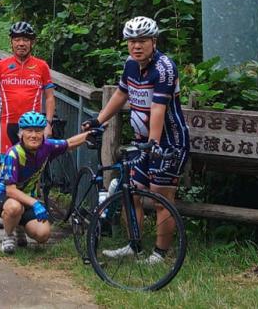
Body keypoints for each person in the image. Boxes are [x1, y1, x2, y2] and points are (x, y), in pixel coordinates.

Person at [81, 16, 190, 264]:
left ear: (154, 41)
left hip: (168, 143)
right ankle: (135, 246)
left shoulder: (164, 68)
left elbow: (158, 108)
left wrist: (153, 144)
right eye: (131, 41)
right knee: (132, 194)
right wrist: (98, 120)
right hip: (143, 140)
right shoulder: (131, 64)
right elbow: (121, 94)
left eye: (142, 40)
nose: (136, 46)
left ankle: (160, 254)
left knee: (161, 200)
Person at [0, 111, 95, 254]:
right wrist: (35, 203)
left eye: (38, 131)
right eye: (29, 131)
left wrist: (90, 134)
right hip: (4, 196)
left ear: (43, 133)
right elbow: (11, 190)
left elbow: (69, 143)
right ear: (21, 134)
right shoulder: (13, 154)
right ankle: (9, 235)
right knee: (14, 207)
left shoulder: (47, 146)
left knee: (43, 234)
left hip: (27, 199)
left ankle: (19, 225)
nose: (34, 135)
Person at [0, 21, 55, 157]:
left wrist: (48, 124)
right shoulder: (0, 66)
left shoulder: (42, 66)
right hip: (8, 124)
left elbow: (50, 97)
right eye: (17, 40)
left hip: (33, 127)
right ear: (11, 42)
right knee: (8, 165)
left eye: (25, 40)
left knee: (33, 165)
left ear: (32, 42)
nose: (21, 44)